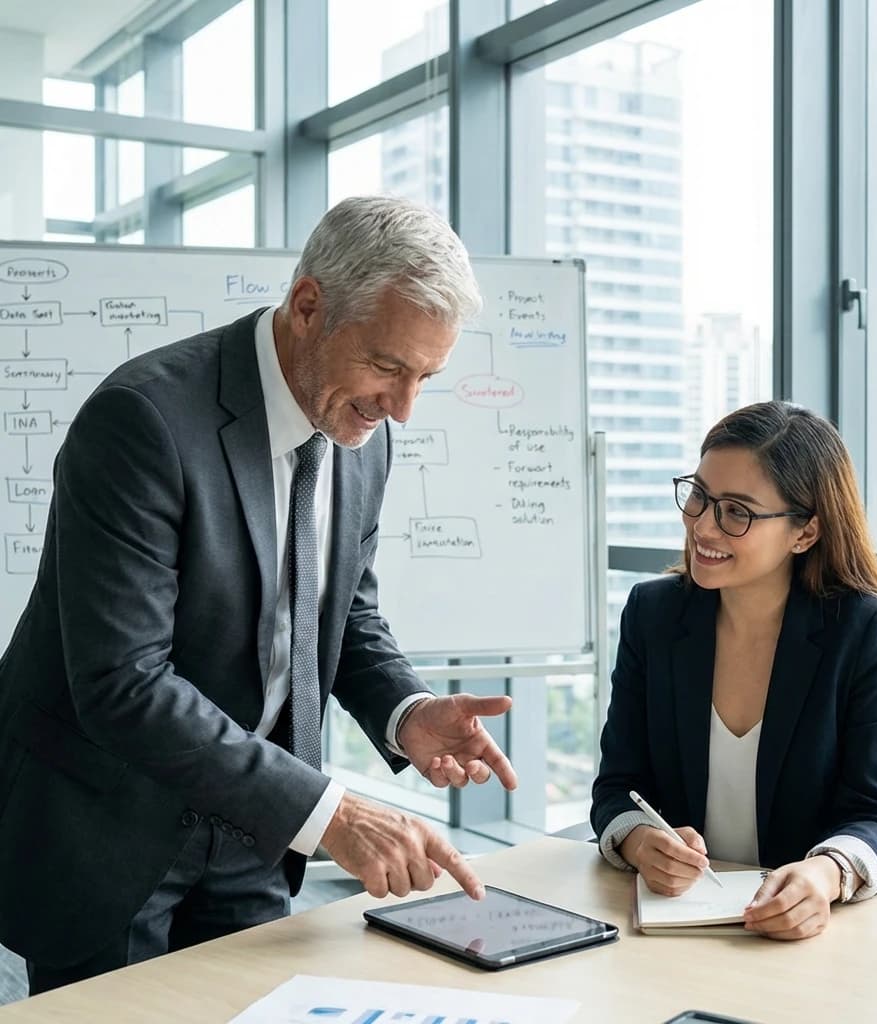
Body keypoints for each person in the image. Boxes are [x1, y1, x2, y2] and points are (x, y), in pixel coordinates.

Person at [0, 195, 518, 992]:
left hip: (254, 830)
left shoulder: (361, 439)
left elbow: (344, 613)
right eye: (387, 366)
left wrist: (406, 712)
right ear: (309, 305)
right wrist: (335, 815)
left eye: (425, 377)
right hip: (108, 823)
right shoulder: (142, 420)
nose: (403, 409)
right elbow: (121, 682)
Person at [591, 400, 877, 941]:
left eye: (736, 511)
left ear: (804, 533)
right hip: (677, 926)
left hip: (815, 935)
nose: (702, 525)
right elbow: (620, 786)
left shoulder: (864, 629)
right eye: (699, 495)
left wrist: (826, 874)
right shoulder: (654, 614)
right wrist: (638, 838)